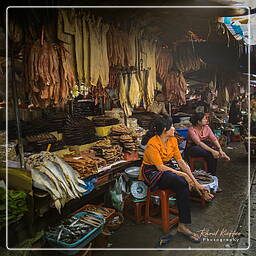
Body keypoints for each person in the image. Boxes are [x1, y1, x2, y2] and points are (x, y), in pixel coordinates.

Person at [139, 116, 213, 243]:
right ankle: (199, 192)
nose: (174, 128)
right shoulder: (152, 144)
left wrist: (194, 181)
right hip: (151, 172)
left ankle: (182, 225)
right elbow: (160, 168)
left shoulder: (172, 140)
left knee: (183, 185)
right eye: (171, 126)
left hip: (167, 170)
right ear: (164, 130)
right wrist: (183, 175)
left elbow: (181, 162)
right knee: (179, 179)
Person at [186, 113, 230, 190]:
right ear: (199, 122)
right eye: (204, 119)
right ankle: (212, 180)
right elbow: (199, 143)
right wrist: (213, 151)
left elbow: (214, 139)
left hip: (204, 146)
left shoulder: (206, 127)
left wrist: (220, 149)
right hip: (193, 148)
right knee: (211, 153)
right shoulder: (191, 130)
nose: (206, 120)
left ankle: (212, 179)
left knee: (213, 154)